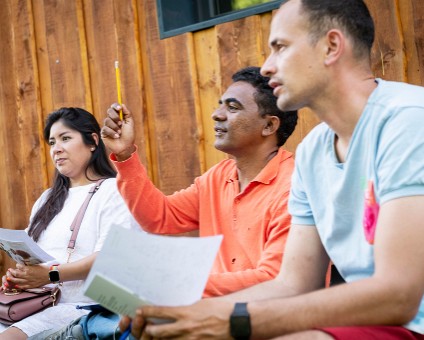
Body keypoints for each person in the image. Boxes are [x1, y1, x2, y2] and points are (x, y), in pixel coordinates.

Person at [118, 0, 424, 339]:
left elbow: (400, 294)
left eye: (280, 47)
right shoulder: (312, 153)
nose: (266, 67)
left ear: (331, 46)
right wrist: (187, 312)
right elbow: (293, 284)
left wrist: (233, 321)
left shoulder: (407, 119)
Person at [102, 66, 298, 299]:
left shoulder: (294, 187)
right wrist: (125, 155)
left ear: (269, 126)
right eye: (220, 104)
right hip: (212, 314)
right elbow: (159, 217)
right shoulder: (217, 177)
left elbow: (274, 278)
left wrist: (180, 285)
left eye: (233, 107)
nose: (217, 114)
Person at [0, 107, 140, 339]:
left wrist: (50, 275)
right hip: (33, 304)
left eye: (66, 138)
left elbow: (109, 258)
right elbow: (35, 255)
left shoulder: (113, 190)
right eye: (52, 142)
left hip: (80, 310)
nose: (57, 149)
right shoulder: (47, 199)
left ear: (93, 141)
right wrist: (21, 277)